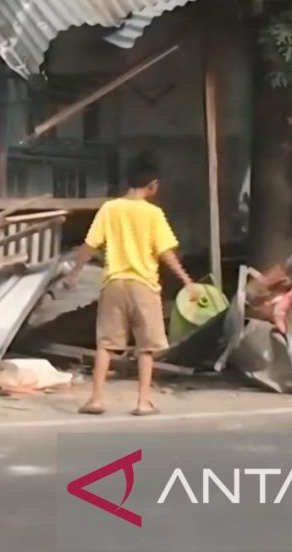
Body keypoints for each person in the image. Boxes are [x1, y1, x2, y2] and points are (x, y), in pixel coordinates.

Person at [64, 153, 197, 416]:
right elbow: (165, 253)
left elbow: (89, 245)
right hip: (143, 286)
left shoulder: (109, 209)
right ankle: (143, 402)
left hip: (114, 283)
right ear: (153, 185)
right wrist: (187, 281)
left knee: (105, 344)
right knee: (146, 347)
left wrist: (74, 272)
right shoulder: (153, 214)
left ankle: (96, 400)